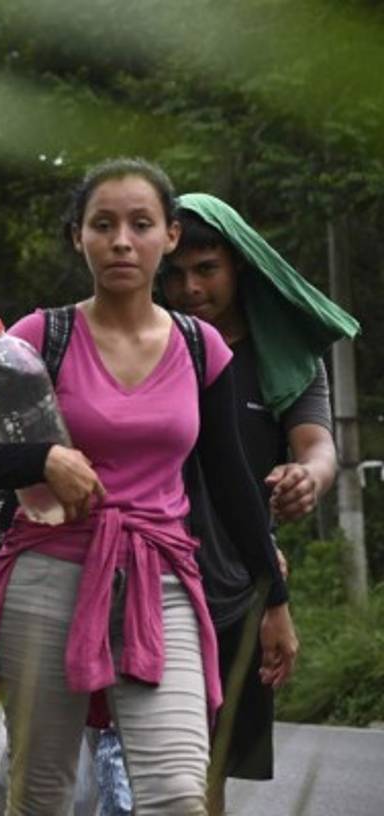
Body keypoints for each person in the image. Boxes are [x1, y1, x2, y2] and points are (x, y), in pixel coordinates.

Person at [0, 157, 289, 815]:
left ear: (169, 236)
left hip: (163, 580)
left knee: (179, 793)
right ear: (78, 238)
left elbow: (233, 486)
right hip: (48, 579)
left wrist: (275, 601)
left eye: (140, 224)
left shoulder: (201, 348)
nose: (122, 240)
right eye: (104, 224)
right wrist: (43, 459)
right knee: (43, 794)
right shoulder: (40, 337)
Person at [160, 193, 358, 813]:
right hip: (148, 571)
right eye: (175, 272)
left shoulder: (282, 356)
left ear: (238, 265)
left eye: (206, 268)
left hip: (238, 582)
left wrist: (309, 477)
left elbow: (317, 443)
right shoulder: (145, 343)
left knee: (206, 770)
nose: (190, 287)